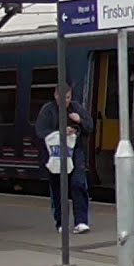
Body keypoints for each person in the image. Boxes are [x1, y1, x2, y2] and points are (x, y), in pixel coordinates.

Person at [34, 82, 93, 234]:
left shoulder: (76, 108)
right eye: (62, 98)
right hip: (54, 155)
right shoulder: (48, 110)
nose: (65, 101)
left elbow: (90, 127)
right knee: (58, 188)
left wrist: (78, 122)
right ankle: (61, 222)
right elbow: (41, 131)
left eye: (68, 98)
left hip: (75, 152)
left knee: (78, 184)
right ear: (55, 96)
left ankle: (81, 221)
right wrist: (60, 131)